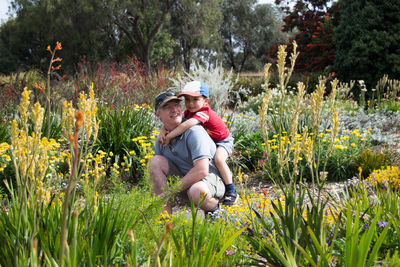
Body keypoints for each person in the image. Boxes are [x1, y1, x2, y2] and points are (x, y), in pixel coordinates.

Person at [158, 81, 238, 206]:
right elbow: (177, 122)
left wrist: (169, 136)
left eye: (195, 99)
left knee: (218, 159)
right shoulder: (189, 112)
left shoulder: (204, 112)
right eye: (187, 100)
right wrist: (163, 130)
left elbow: (185, 124)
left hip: (224, 140)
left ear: (206, 101)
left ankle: (231, 189)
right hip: (213, 140)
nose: (190, 104)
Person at [150, 89, 225, 216]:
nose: (174, 110)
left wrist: (169, 192)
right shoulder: (161, 139)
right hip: (185, 182)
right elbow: (157, 176)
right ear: (158, 116)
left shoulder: (194, 132)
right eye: (167, 107)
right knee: (154, 162)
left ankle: (215, 210)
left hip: (209, 181)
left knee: (196, 191)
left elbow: (202, 171)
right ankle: (165, 221)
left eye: (176, 105)